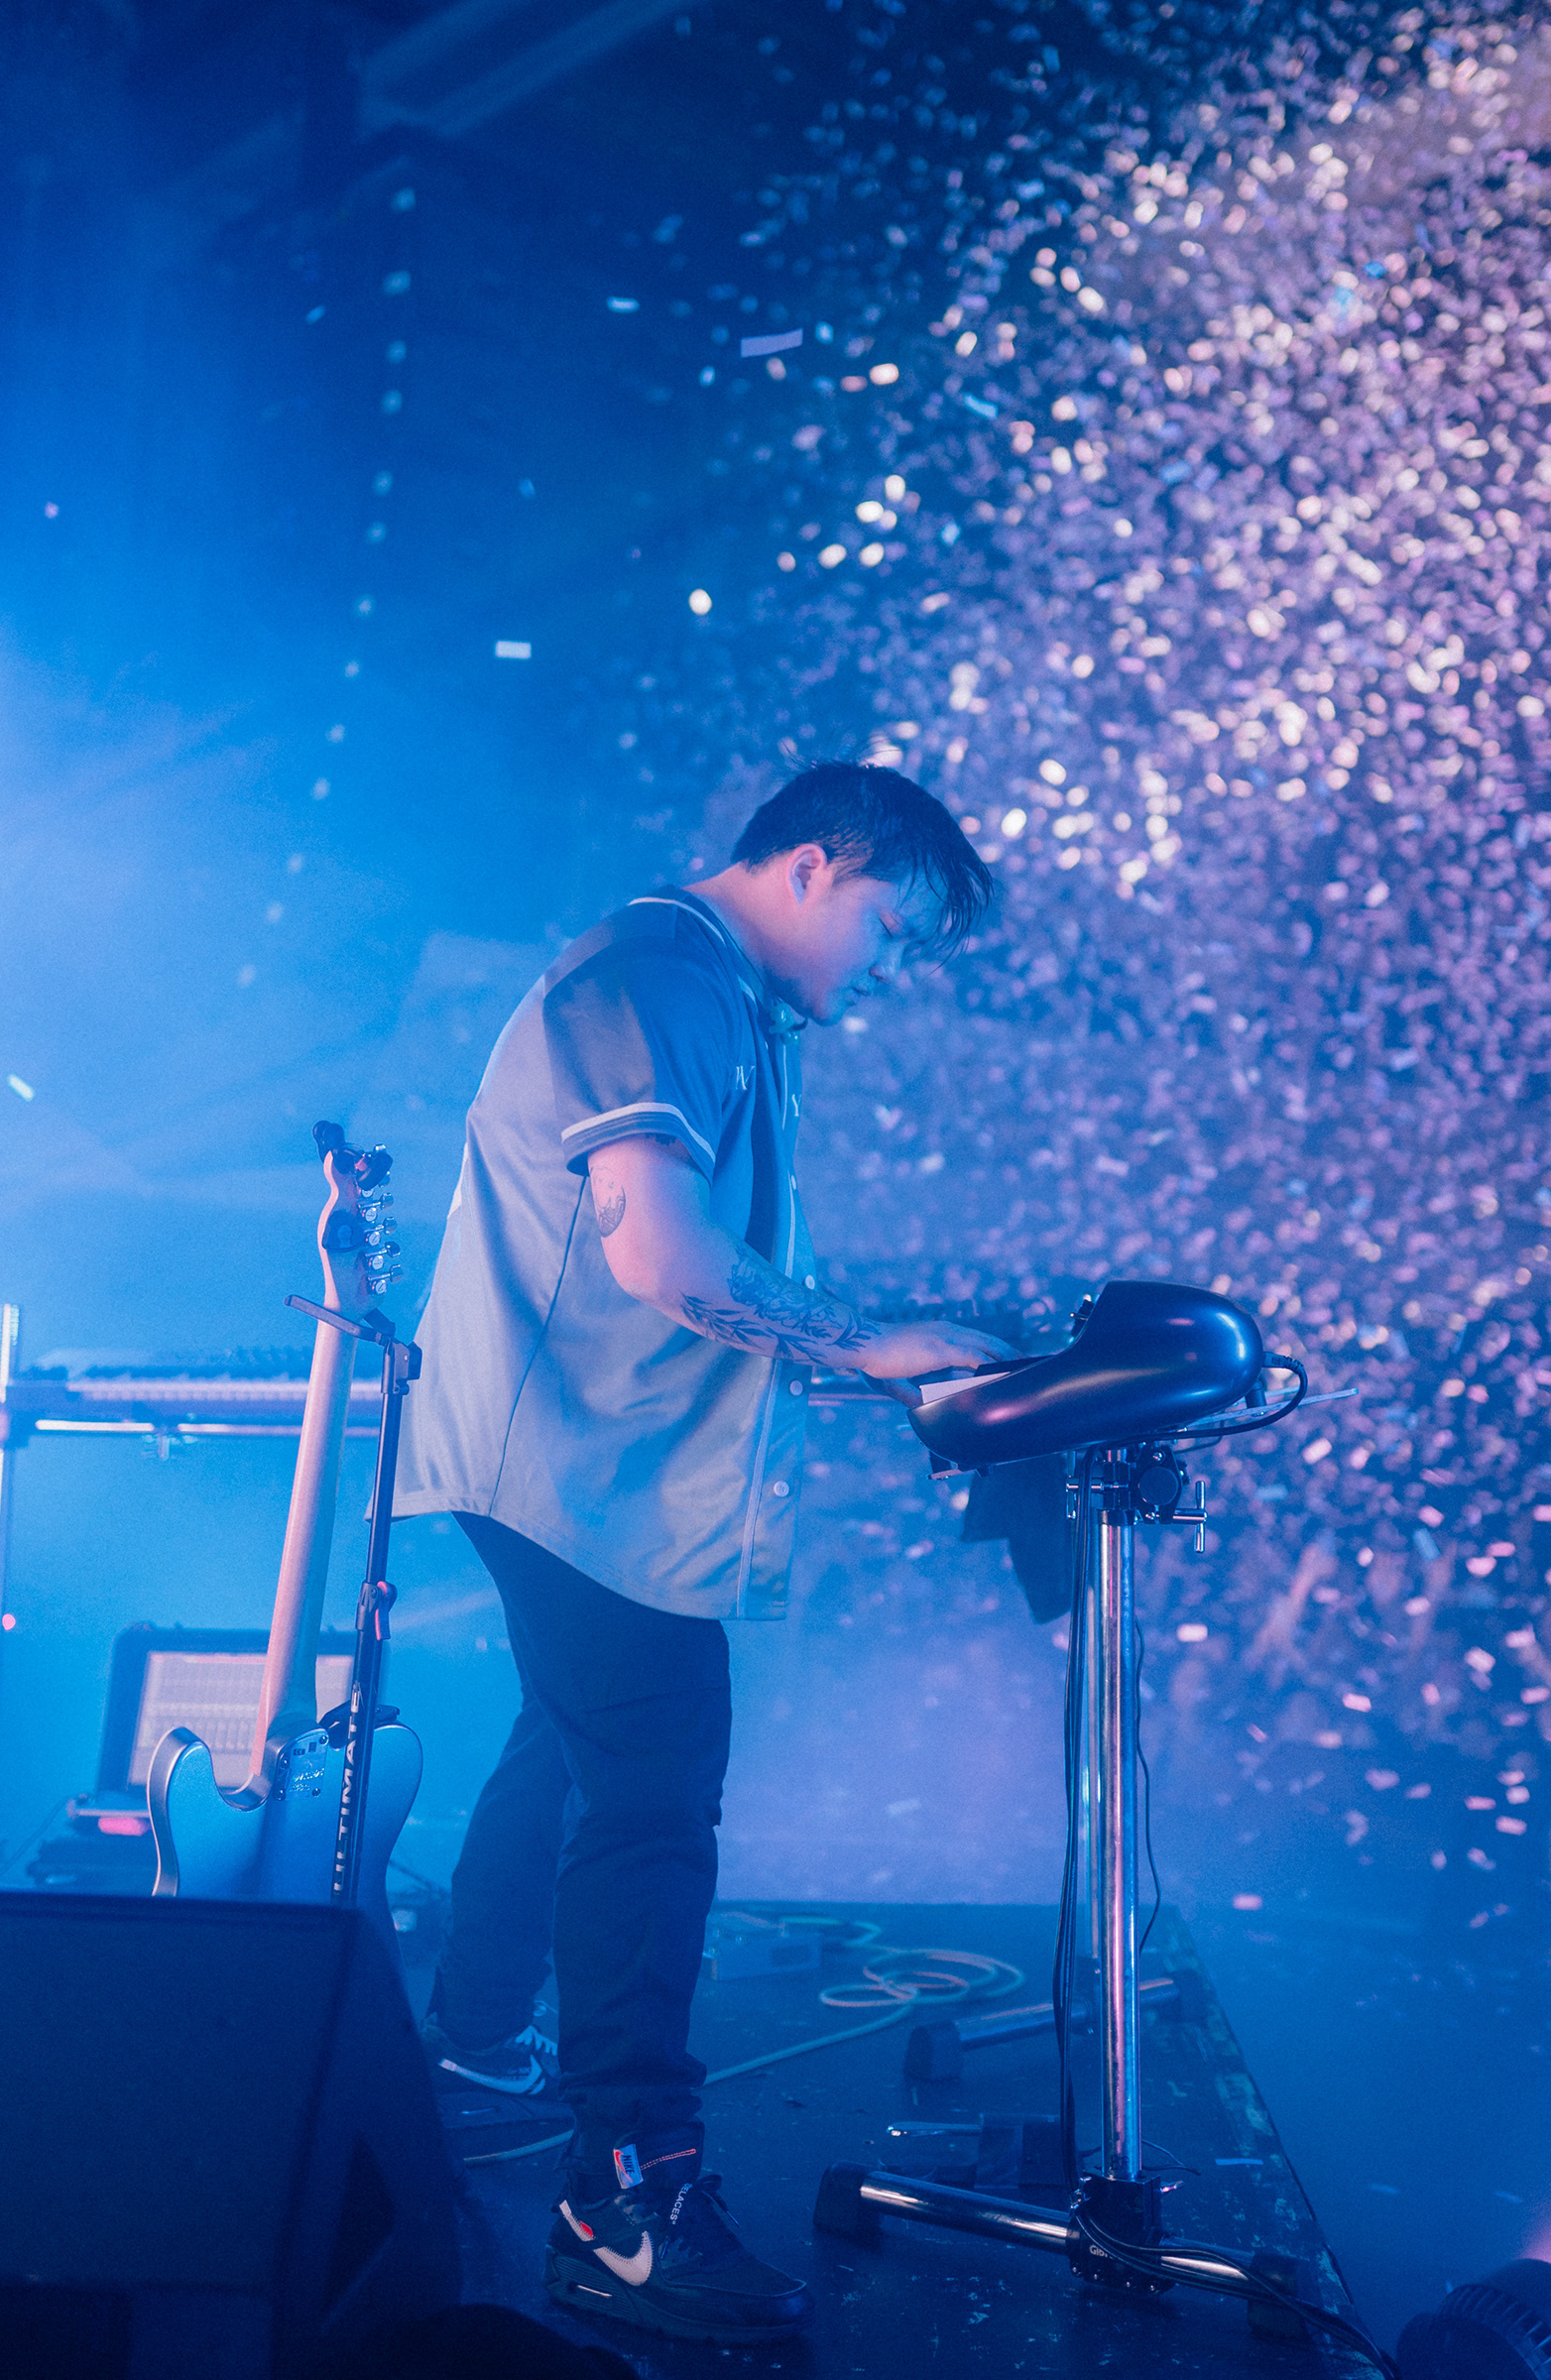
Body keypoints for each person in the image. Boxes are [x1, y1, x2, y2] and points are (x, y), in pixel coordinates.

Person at [391, 763, 1017, 2344]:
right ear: (813, 865)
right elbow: (662, 1252)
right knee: (655, 1803)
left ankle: (476, 2035)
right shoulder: (655, 975)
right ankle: (627, 2202)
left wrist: (880, 1358)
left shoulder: (714, 996)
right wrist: (872, 1347)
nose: (885, 969)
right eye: (888, 924)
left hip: (590, 1478)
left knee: (573, 1748)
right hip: (565, 1469)